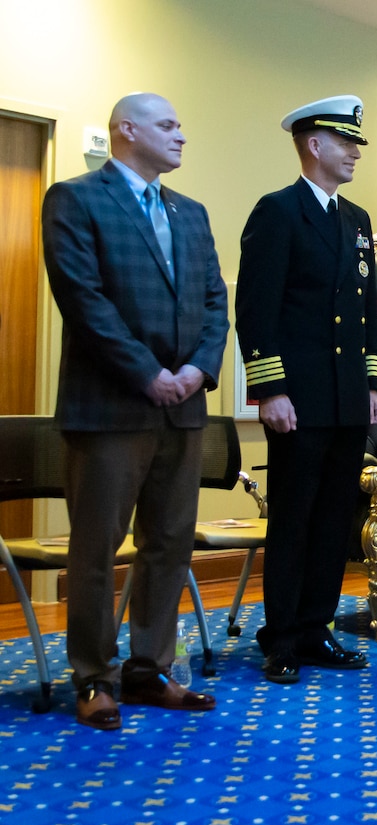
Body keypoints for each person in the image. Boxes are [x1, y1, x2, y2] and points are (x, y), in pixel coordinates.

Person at [41, 92, 229, 728]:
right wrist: (147, 373)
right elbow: (84, 298)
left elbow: (214, 300)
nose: (181, 135)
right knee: (97, 548)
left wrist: (198, 370)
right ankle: (93, 677)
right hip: (110, 409)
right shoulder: (76, 199)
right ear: (126, 129)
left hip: (182, 410)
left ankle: (149, 670)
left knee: (169, 545)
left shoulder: (192, 212)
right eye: (168, 125)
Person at [235, 95, 377, 684]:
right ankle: (283, 636)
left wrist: (371, 385)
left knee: (333, 522)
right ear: (313, 145)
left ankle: (316, 628)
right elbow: (256, 310)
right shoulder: (278, 212)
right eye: (345, 142)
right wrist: (269, 390)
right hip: (298, 401)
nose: (354, 152)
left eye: (357, 143)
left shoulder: (357, 220)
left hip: (347, 399)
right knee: (294, 521)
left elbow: (366, 313)